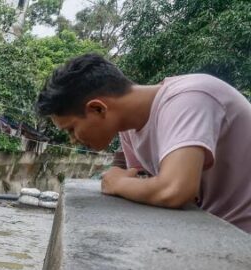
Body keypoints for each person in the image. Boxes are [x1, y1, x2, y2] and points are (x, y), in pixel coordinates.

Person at [36, 53, 251, 233]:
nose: (73, 140)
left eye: (72, 129)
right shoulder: (129, 129)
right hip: (212, 230)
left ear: (98, 108)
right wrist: (124, 180)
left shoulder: (189, 98)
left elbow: (174, 190)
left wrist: (116, 183)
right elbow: (141, 183)